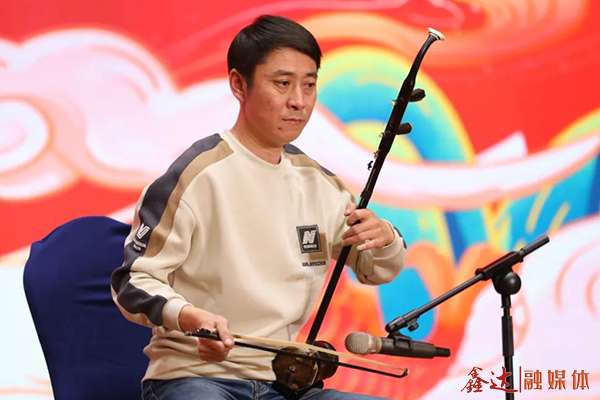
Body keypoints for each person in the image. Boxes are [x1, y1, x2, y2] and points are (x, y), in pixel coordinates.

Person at [111, 14, 407, 400]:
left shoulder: (322, 186)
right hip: (195, 377)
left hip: (284, 385)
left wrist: (385, 239)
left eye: (309, 85)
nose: (298, 101)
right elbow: (131, 283)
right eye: (282, 83)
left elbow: (375, 269)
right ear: (239, 84)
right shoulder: (196, 176)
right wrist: (189, 317)